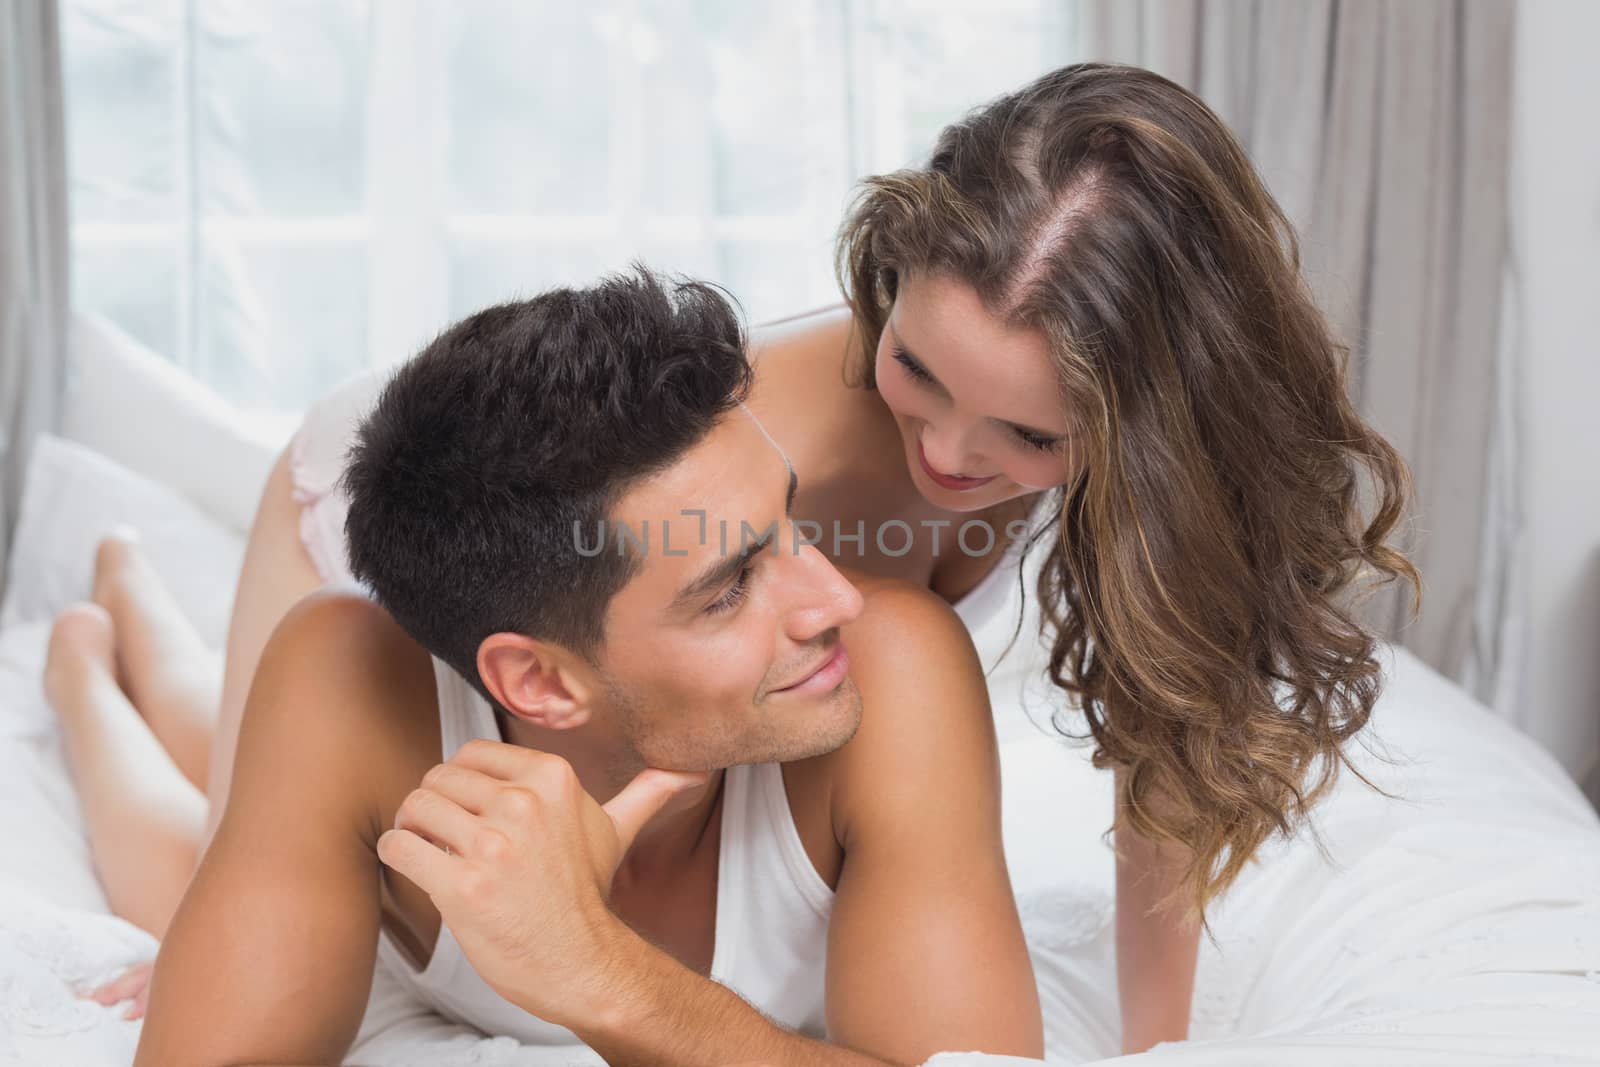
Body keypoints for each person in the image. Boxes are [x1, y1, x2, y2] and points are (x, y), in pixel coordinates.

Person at [55, 62, 1417, 1055]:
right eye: (919, 373)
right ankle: (97, 644)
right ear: (890, 285)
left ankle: (129, 623)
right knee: (210, 859)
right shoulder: (749, 445)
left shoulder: (879, 608)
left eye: (1024, 433)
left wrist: (1156, 1046)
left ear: (1137, 431)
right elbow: (635, 569)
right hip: (437, 496)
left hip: (618, 608)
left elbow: (1165, 750)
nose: (946, 453)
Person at [96, 270, 1040, 1065]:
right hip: (347, 614)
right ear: (540, 684)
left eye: (789, 524)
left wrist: (598, 971)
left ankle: (123, 617)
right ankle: (89, 652)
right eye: (729, 586)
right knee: (170, 866)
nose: (837, 598)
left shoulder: (894, 667)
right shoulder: (346, 677)